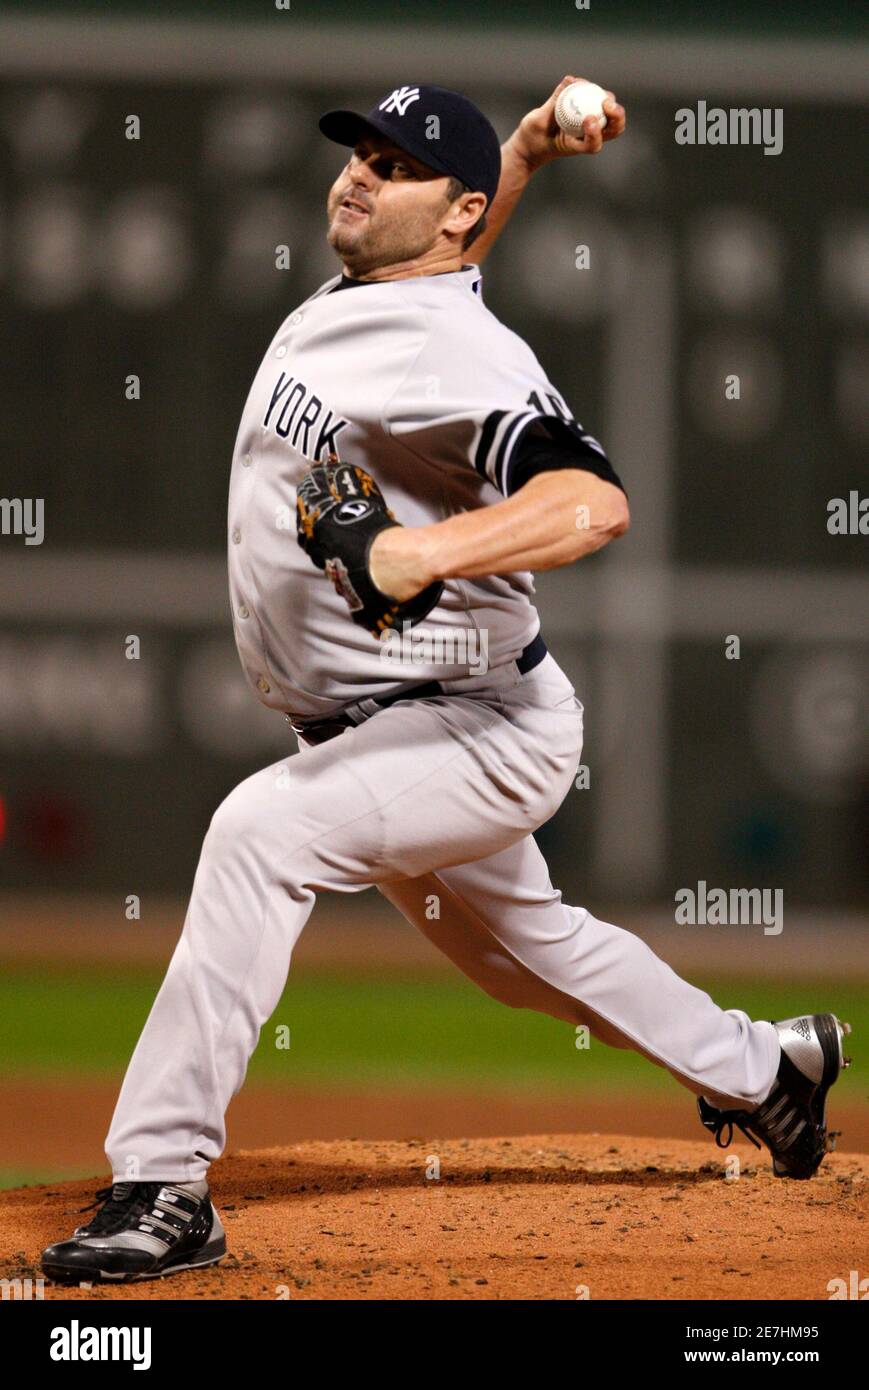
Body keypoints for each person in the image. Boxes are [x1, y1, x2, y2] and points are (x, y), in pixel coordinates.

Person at [41, 80, 849, 1285]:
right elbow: (446, 262)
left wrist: (419, 550)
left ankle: (163, 1187)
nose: (360, 175)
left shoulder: (458, 350)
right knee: (523, 954)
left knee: (257, 834)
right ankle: (766, 1069)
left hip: (475, 723)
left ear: (455, 211)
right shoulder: (390, 287)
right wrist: (519, 149)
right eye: (360, 151)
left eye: (396, 163)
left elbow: (593, 502)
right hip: (398, 718)